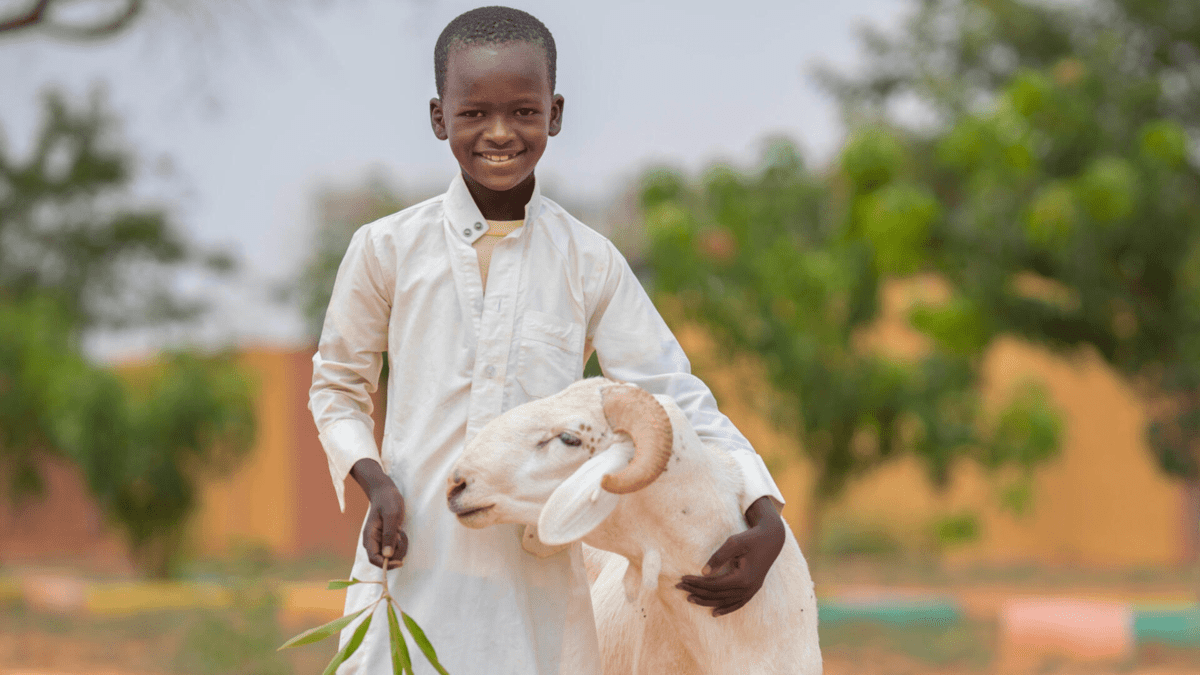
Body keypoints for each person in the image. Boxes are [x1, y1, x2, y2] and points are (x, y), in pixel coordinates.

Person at [309, 6, 788, 674]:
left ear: (554, 113)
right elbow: (336, 389)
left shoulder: (588, 260)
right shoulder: (386, 248)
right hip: (409, 564)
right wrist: (377, 485)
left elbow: (677, 396)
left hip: (535, 582)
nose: (500, 132)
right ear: (439, 116)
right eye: (474, 112)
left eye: (524, 112)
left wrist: (765, 511)